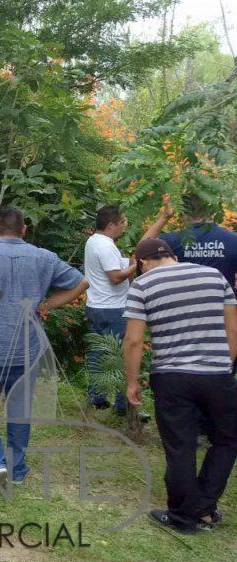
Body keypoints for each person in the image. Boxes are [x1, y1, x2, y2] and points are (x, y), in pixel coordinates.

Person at [0, 207, 88, 488]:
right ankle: (17, 469)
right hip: (27, 348)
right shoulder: (43, 257)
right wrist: (47, 305)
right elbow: (82, 282)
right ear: (23, 229)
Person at [123, 238, 237, 534]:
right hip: (217, 374)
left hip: (173, 377)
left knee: (181, 446)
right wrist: (224, 365)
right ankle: (204, 509)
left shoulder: (143, 284)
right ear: (172, 256)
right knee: (226, 440)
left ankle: (185, 517)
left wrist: (132, 382)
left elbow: (134, 340)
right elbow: (232, 328)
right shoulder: (214, 276)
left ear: (143, 261)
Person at [83, 205, 169, 412]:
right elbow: (115, 277)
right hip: (112, 307)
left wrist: (130, 263)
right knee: (124, 355)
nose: (124, 227)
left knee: (99, 352)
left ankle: (97, 395)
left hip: (96, 304)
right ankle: (123, 403)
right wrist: (137, 266)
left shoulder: (94, 241)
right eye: (122, 223)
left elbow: (119, 265)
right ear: (111, 224)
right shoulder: (105, 246)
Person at [148, 194, 237, 289]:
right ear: (213, 212)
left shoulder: (170, 240)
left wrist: (165, 216)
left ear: (181, 212)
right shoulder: (233, 239)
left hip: (180, 302)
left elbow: (142, 252)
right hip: (223, 301)